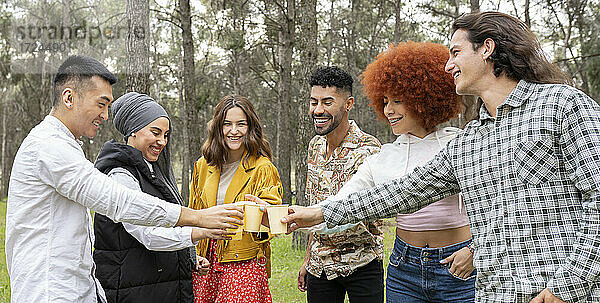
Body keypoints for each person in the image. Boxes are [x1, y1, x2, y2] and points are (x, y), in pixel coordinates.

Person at [282, 11, 600, 303]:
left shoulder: (561, 105)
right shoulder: (475, 138)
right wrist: (318, 214)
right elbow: (404, 192)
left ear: (487, 49)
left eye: (456, 52)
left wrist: (567, 287)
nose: (448, 65)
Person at [5, 55, 243, 303]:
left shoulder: (66, 145)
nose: (106, 115)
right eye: (101, 104)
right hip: (49, 292)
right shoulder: (48, 146)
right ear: (69, 98)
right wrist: (200, 219)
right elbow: (118, 201)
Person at [328, 41, 473, 302]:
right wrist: (292, 217)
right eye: (384, 102)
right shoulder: (383, 158)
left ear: (423, 99)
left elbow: (499, 207)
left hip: (458, 267)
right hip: (404, 270)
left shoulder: (460, 145)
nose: (388, 110)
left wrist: (475, 251)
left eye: (398, 101)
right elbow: (340, 205)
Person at [93, 92, 229, 303]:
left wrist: (188, 257)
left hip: (155, 286)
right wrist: (200, 231)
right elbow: (148, 235)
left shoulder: (154, 171)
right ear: (133, 131)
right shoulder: (121, 175)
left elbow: (165, 225)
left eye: (165, 135)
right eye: (155, 133)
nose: (162, 141)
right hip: (133, 290)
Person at [300, 66, 384, 303]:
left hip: (362, 264)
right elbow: (314, 205)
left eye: (327, 102)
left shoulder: (369, 149)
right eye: (313, 102)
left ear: (348, 104)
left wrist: (299, 220)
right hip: (320, 267)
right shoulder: (314, 147)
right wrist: (308, 260)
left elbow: (370, 211)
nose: (318, 110)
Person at [189, 95, 282, 303]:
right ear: (217, 127)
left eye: (241, 124)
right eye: (227, 124)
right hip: (206, 259)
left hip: (243, 262)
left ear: (251, 127)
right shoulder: (203, 166)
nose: (234, 131)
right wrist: (193, 253)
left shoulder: (263, 168)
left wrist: (260, 213)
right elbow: (193, 212)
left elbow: (274, 223)